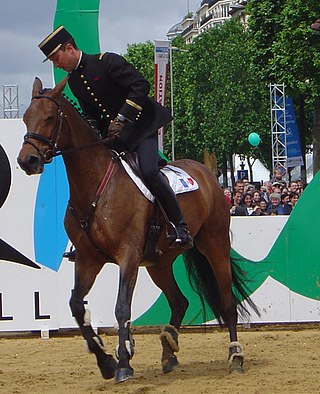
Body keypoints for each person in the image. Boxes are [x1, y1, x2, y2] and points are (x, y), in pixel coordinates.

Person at [38, 26, 194, 258]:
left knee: (149, 171)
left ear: (69, 48)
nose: (56, 64)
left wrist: (123, 117)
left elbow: (140, 86)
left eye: (56, 58)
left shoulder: (107, 61)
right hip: (115, 137)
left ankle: (179, 225)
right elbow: (92, 113)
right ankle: (86, 237)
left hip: (141, 128)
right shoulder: (75, 83)